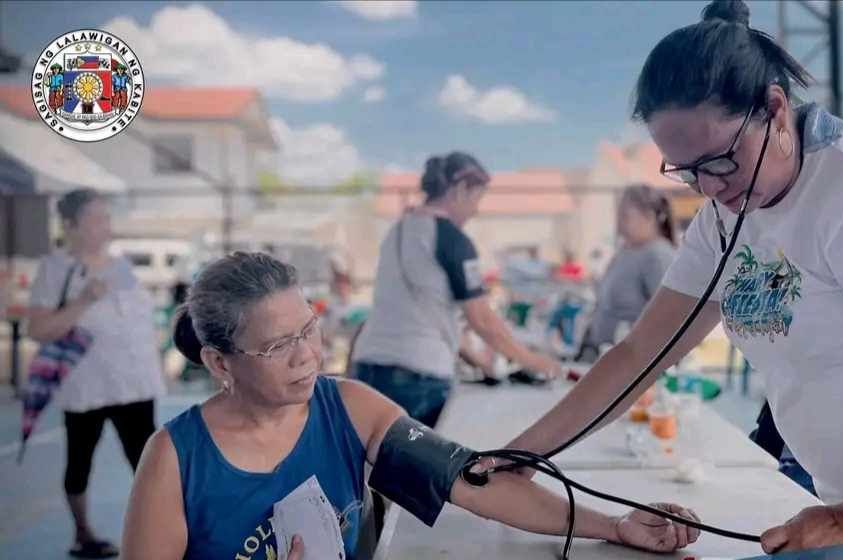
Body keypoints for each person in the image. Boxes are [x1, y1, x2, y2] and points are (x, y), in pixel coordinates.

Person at [495, 1, 843, 557]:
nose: (710, 188)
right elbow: (640, 352)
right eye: (687, 173)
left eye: (720, 161)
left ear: (774, 109)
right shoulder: (723, 214)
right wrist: (524, 455)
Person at [120, 252, 702, 559]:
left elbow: (475, 483)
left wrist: (615, 525)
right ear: (220, 363)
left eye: (309, 329)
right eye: (277, 346)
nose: (306, 356)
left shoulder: (347, 409)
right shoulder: (175, 459)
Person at [351, 152, 561, 427]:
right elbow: (482, 319)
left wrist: (480, 362)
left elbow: (427, 313)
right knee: (417, 456)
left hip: (367, 369)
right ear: (461, 189)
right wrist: (534, 361)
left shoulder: (397, 231)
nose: (476, 210)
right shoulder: (451, 239)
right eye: (476, 198)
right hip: (417, 380)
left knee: (373, 455)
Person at [27, 189, 165, 559]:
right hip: (85, 386)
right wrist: (83, 300)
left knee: (150, 463)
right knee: (80, 461)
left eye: (106, 216)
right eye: (96, 217)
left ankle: (161, 536)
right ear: (70, 225)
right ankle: (83, 535)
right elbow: (38, 329)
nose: (105, 224)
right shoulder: (55, 268)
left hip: (134, 384)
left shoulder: (121, 266)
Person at [578, 184, 677, 361]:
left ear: (649, 217)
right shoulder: (626, 251)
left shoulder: (657, 255)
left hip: (632, 360)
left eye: (625, 216)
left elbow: (667, 317)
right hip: (602, 354)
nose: (619, 224)